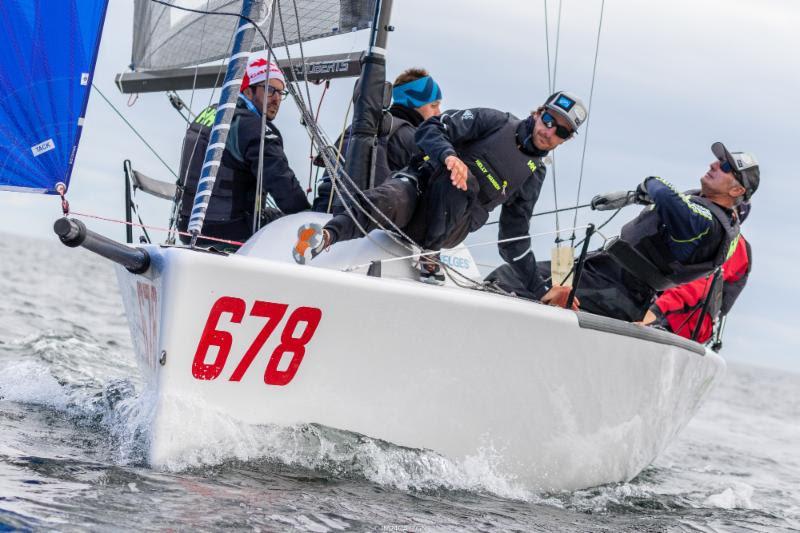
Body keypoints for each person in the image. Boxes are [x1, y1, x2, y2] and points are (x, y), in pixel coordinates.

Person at [295, 91, 588, 287]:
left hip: (448, 229)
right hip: (419, 191)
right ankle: (324, 237)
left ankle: (430, 254)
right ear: (538, 113)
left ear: (566, 139)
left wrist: (539, 290)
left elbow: (513, 239)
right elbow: (431, 128)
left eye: (561, 130)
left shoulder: (533, 175)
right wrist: (449, 157)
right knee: (390, 197)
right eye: (549, 120)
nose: (549, 131)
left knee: (463, 182)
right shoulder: (494, 121)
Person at [538, 142, 759, 321]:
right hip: (599, 271)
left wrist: (648, 184)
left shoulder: (703, 222)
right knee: (526, 270)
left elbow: (662, 193)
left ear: (737, 190)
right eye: (719, 161)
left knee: (515, 279)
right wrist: (633, 197)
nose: (714, 165)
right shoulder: (707, 215)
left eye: (726, 167)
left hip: (611, 289)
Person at [177, 51, 310, 248]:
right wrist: (310, 218)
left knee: (273, 215)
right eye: (270, 90)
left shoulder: (208, 113)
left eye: (281, 93)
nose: (277, 99)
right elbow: (282, 183)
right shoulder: (253, 127)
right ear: (248, 90)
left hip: (188, 227)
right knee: (293, 225)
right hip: (229, 231)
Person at [312, 68, 443, 211]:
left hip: (322, 210)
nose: (438, 113)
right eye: (433, 105)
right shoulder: (414, 138)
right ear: (413, 102)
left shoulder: (358, 127)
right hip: (367, 222)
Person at [641, 202, 752, 346]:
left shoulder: (734, 245)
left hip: (680, 326)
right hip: (660, 309)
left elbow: (701, 283)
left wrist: (657, 310)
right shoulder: (703, 229)